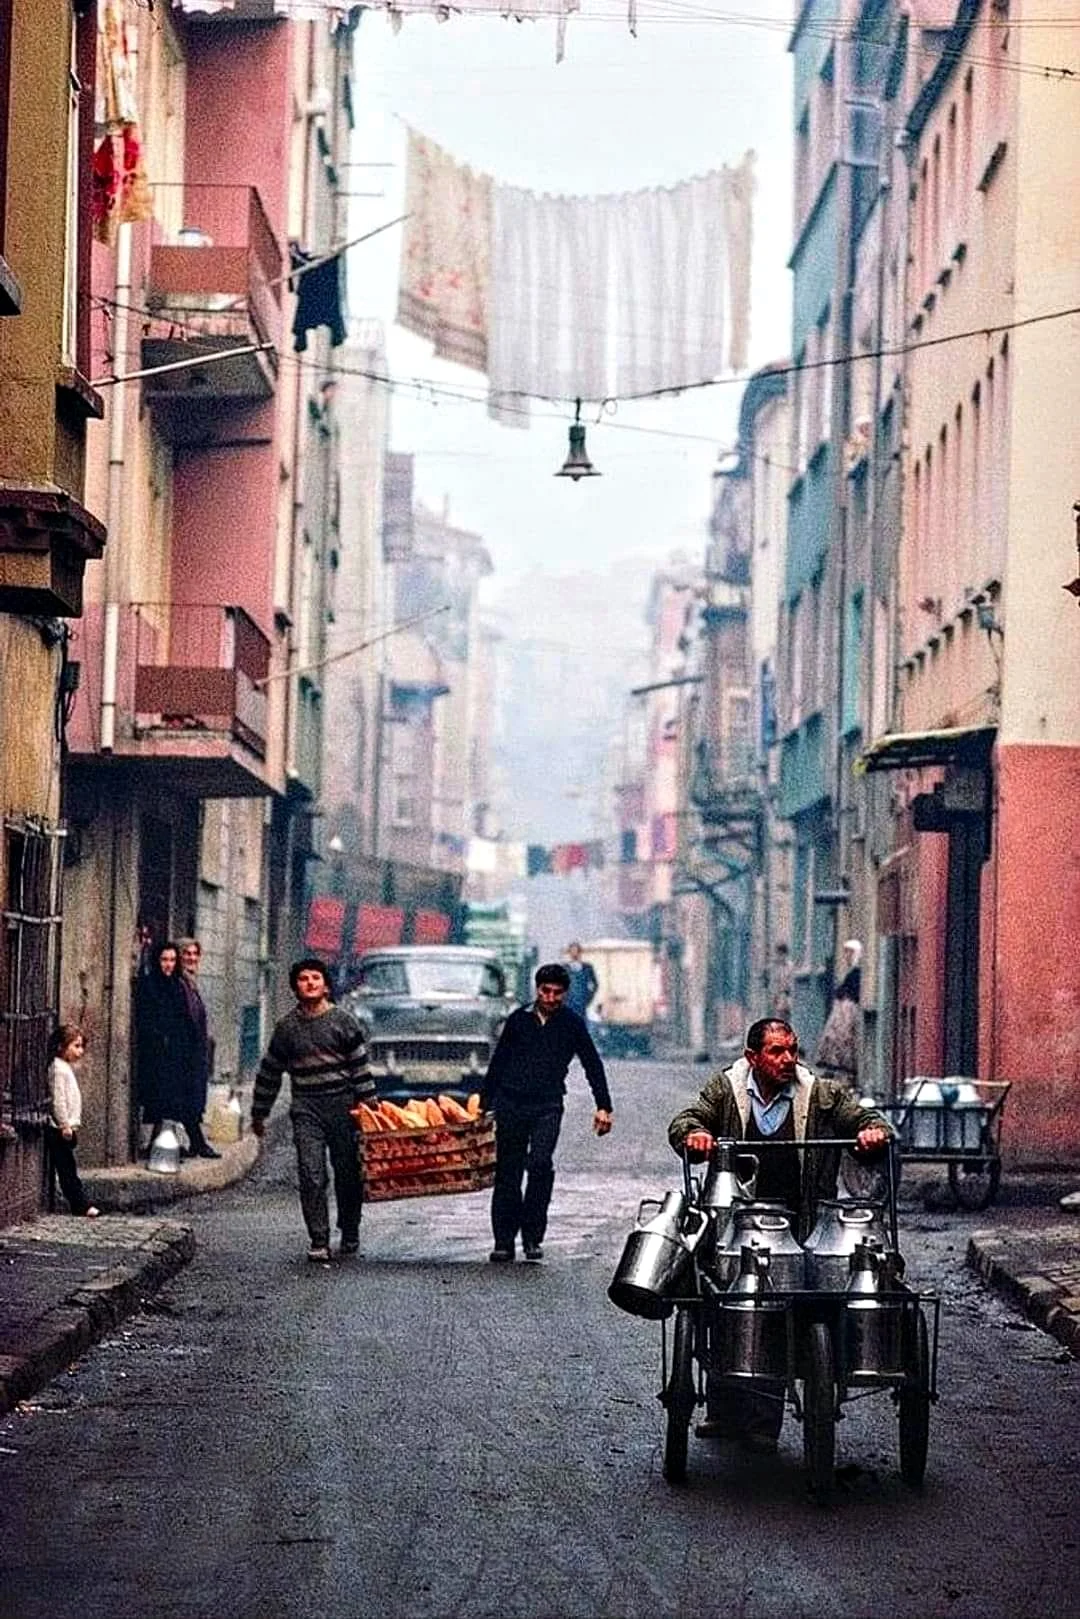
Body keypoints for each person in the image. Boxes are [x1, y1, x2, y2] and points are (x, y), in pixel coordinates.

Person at [667, 1016, 891, 1452]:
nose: (788, 1059)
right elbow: (688, 1119)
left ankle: (762, 1421)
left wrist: (872, 1132)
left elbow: (863, 1117)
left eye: (792, 1050)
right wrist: (695, 1135)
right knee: (723, 1304)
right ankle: (722, 1409)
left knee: (778, 1309)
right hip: (735, 1224)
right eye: (776, 1052)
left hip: (799, 1226)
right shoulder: (726, 1090)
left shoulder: (820, 1094)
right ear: (752, 1057)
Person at [481, 961, 614, 1264]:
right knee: (508, 1171)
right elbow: (498, 1063)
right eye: (545, 991)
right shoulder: (518, 1020)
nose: (550, 998)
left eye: (557, 993)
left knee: (540, 1165)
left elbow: (592, 1064)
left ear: (565, 993)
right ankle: (504, 1241)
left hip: (548, 1105)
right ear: (537, 990)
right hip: (511, 1103)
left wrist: (604, 1106)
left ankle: (532, 1237)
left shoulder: (571, 1024)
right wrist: (483, 1104)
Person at [250, 957, 374, 1264]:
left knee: (348, 1173)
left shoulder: (344, 1022)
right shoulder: (286, 1028)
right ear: (296, 988)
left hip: (343, 1106)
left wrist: (370, 1107)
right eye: (303, 979)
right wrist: (259, 1112)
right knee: (311, 1173)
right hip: (306, 1108)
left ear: (326, 986)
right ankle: (319, 1238)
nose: (310, 983)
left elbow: (360, 1068)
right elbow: (270, 1072)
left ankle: (350, 1228)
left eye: (315, 978)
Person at [135, 940, 198, 1155]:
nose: (168, 964)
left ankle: (165, 1144)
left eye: (172, 960)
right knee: (155, 1100)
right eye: (164, 959)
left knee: (171, 1102)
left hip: (175, 1053)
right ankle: (149, 1145)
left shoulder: (177, 986)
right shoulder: (148, 984)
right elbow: (146, 1018)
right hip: (155, 1053)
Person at [45, 1024, 99, 1218]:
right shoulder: (58, 1069)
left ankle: (79, 1203)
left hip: (65, 1127)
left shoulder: (63, 1067)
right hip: (60, 1128)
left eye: (81, 1046)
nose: (80, 1051)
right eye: (76, 1046)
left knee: (68, 1167)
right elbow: (58, 1099)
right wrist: (64, 1124)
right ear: (61, 1046)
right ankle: (80, 1205)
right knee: (67, 1169)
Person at [176, 937, 219, 1159]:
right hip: (185, 1051)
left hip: (195, 1051)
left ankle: (195, 1142)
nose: (192, 958)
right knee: (186, 1099)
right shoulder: (179, 984)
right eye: (187, 954)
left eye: (195, 954)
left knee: (190, 1098)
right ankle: (197, 1142)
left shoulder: (190, 983)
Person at [814, 939, 863, 1088]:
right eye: (845, 953)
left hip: (848, 1011)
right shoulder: (851, 972)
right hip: (842, 1011)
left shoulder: (856, 973)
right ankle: (837, 1068)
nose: (846, 956)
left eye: (849, 953)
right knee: (835, 1039)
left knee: (844, 1039)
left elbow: (852, 992)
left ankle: (846, 1071)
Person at [564, 942, 599, 1020]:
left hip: (581, 1004)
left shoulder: (587, 968)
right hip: (568, 1004)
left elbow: (595, 984)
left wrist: (588, 998)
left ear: (580, 952)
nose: (574, 954)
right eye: (572, 951)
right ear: (569, 953)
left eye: (576, 951)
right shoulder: (564, 968)